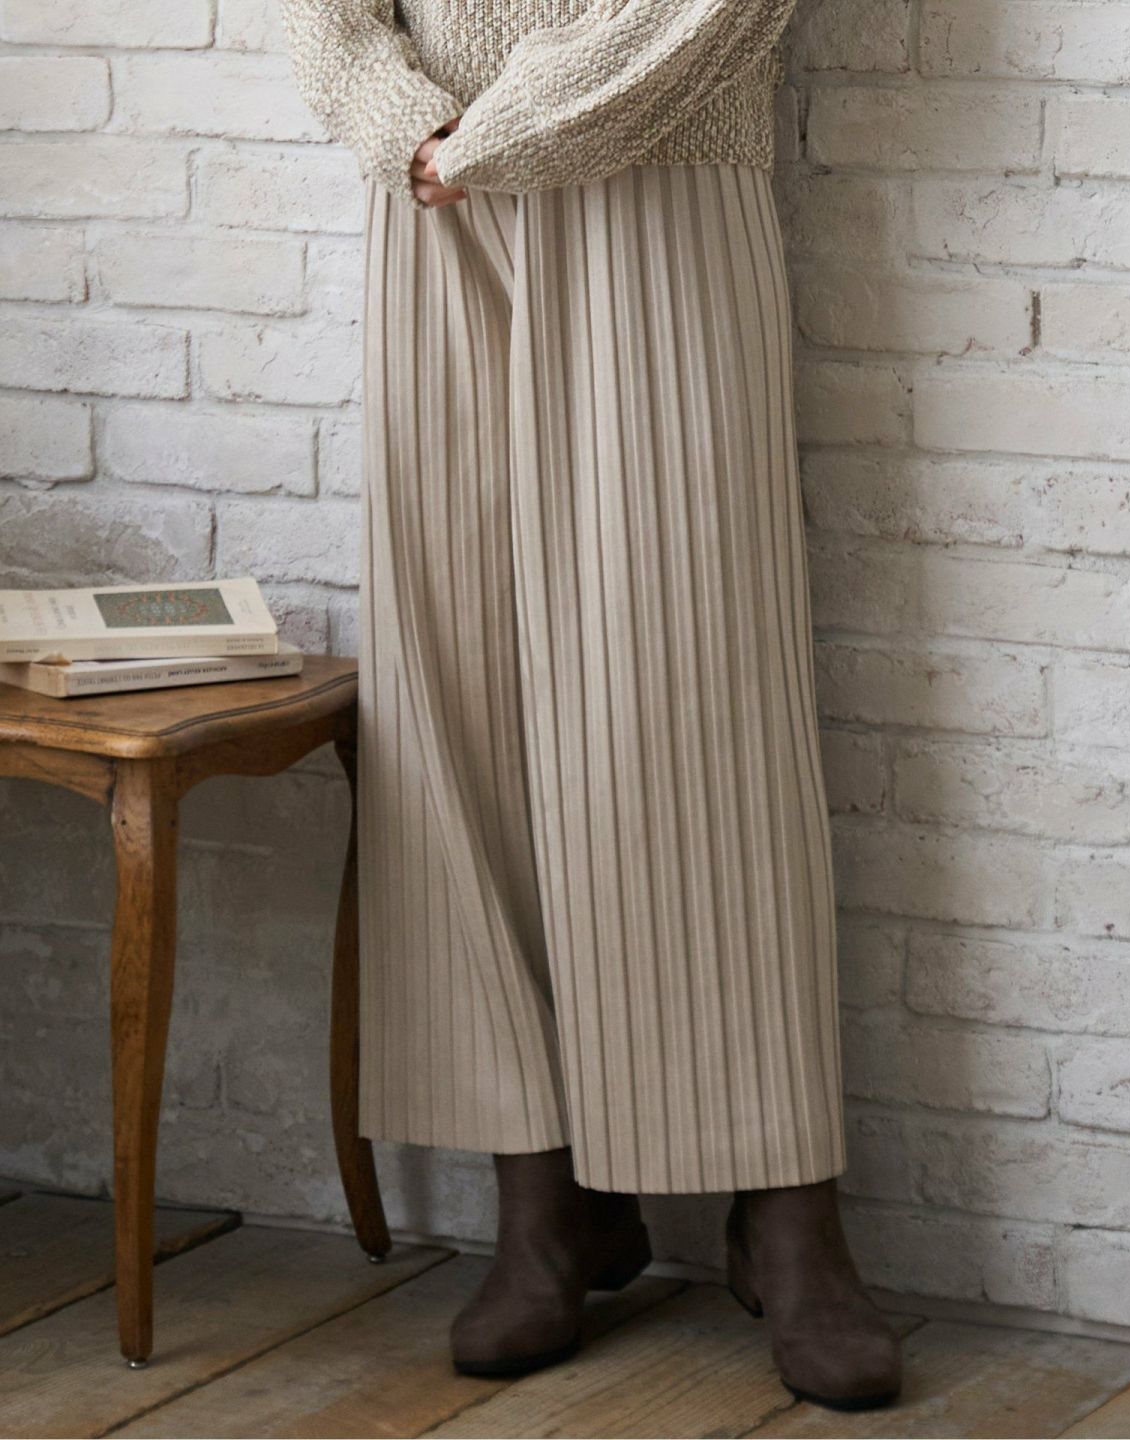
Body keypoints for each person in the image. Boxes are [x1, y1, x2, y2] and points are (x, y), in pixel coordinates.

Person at [279, 0, 903, 1411]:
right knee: (460, 705)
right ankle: (547, 1199)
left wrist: (501, 137)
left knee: (697, 712)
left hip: (660, 171)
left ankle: (784, 1208)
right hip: (429, 202)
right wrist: (406, 128)